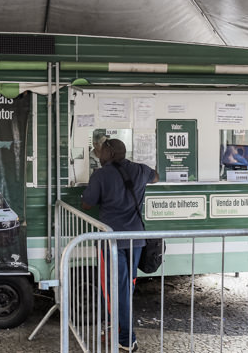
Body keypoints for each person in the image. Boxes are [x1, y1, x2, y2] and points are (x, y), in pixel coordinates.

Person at [81, 138, 158, 352]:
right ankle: (115, 328)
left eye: (101, 150)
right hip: (135, 239)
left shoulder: (100, 175)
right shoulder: (141, 170)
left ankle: (126, 338)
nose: (99, 154)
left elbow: (87, 204)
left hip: (111, 241)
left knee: (118, 289)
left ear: (109, 153)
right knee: (126, 287)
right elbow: (156, 177)